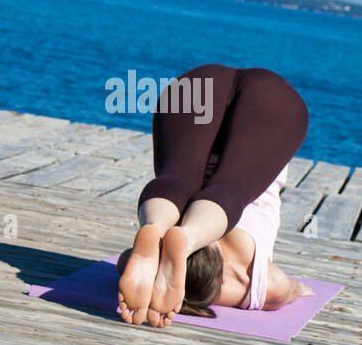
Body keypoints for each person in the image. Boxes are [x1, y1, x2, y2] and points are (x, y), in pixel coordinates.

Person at [117, 64, 314, 327]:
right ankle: (160, 226)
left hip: (272, 105)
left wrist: (300, 289)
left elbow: (289, 290)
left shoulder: (251, 282)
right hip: (199, 85)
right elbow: (125, 261)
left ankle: (187, 238)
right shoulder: (135, 263)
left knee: (232, 186)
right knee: (177, 177)